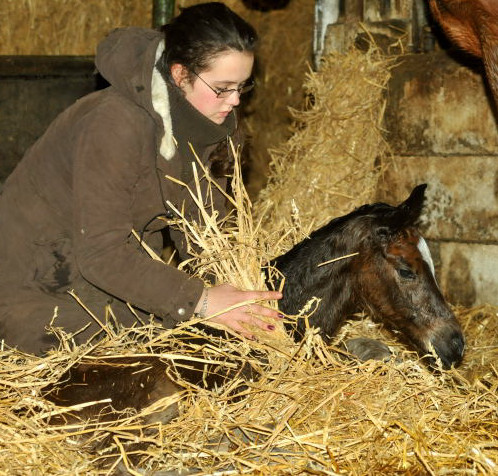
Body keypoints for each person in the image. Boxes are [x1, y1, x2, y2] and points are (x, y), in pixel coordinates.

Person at [0, 2, 282, 355]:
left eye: (243, 86)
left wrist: (241, 293)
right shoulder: (115, 124)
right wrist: (201, 301)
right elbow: (102, 253)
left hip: (104, 277)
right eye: (224, 87)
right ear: (180, 75)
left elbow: (205, 232)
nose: (235, 100)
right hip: (39, 283)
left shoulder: (209, 124)